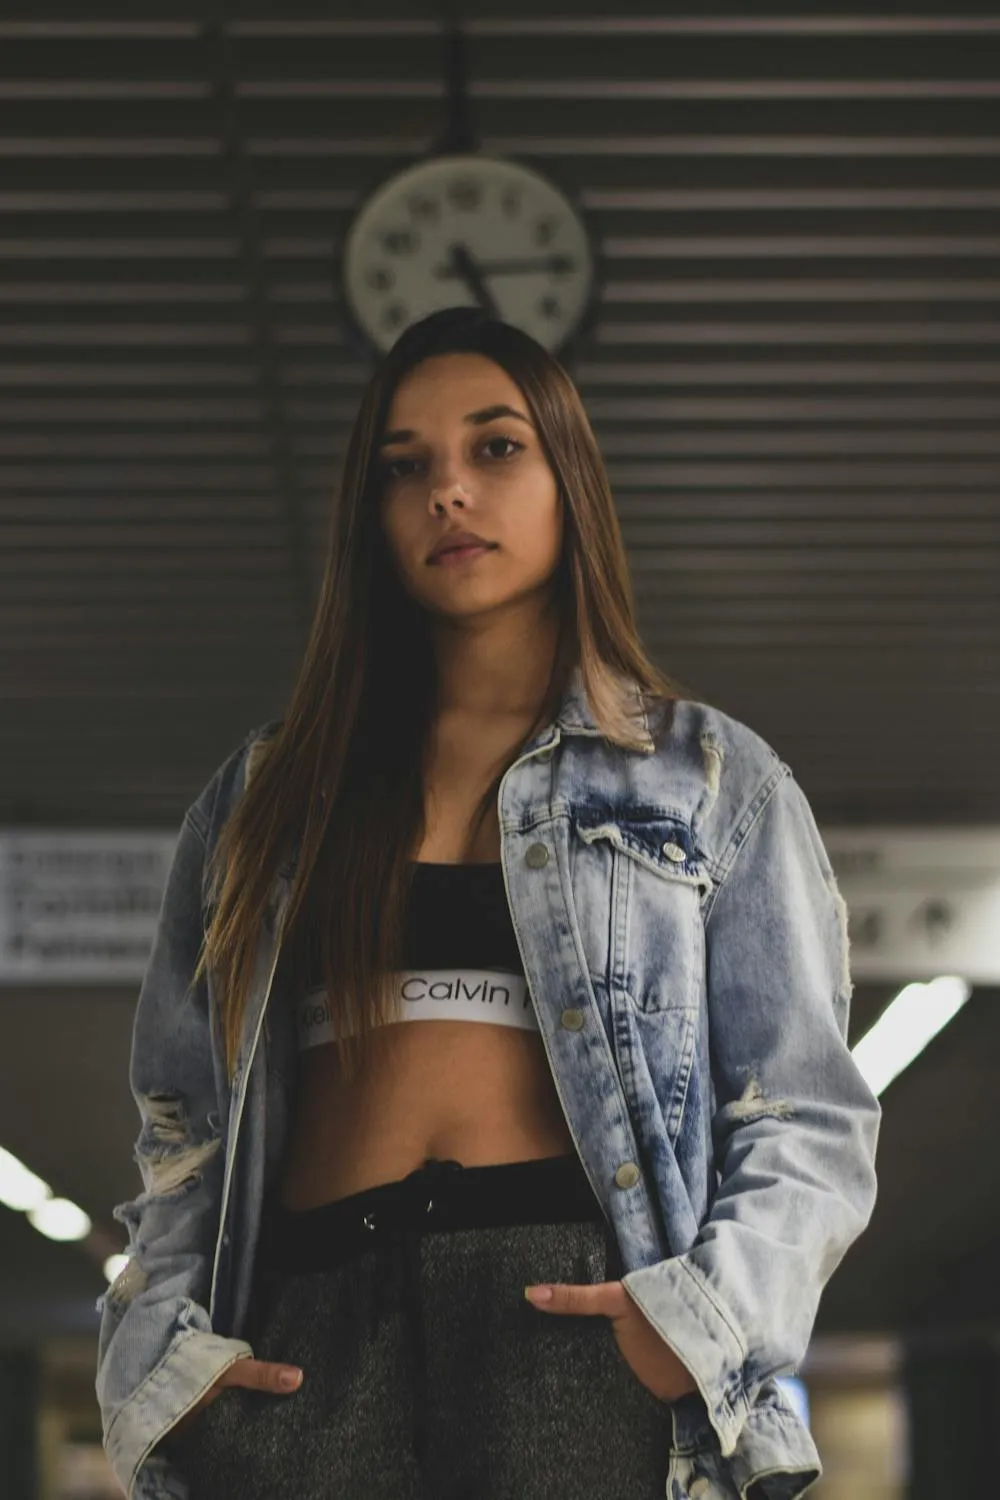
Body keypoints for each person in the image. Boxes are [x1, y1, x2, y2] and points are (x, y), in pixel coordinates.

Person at [95, 305, 881, 1500]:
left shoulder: (709, 776)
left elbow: (806, 1115)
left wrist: (704, 1318)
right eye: (404, 469)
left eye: (494, 448)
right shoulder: (267, 797)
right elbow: (180, 1124)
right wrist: (162, 1363)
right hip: (303, 1348)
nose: (447, 493)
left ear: (570, 478)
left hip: (568, 1322)